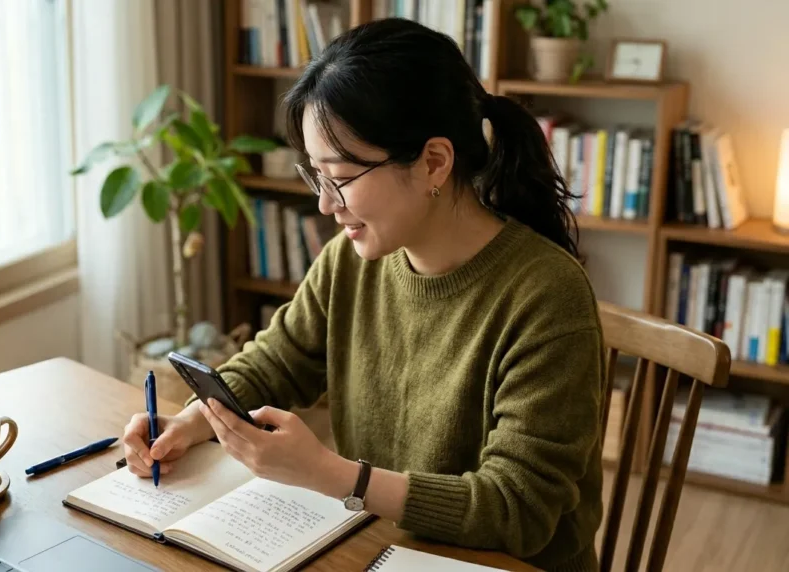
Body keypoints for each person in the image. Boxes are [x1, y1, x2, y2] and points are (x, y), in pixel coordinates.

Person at [122, 17, 605, 572]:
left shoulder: (547, 297)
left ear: (434, 162)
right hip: (382, 547)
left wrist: (329, 473)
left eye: (342, 178)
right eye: (315, 177)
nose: (326, 205)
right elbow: (276, 361)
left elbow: (517, 510)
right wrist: (190, 423)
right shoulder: (351, 263)